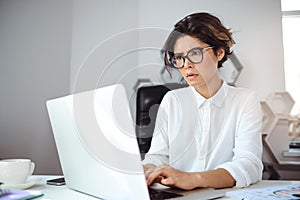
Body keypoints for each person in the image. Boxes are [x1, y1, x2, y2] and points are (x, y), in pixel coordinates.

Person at [142, 12, 263, 190]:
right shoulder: (172, 100)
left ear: (219, 52)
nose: (186, 65)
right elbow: (157, 156)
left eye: (195, 53)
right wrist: (148, 169)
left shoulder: (245, 100)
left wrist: (194, 179)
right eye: (179, 58)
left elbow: (249, 165)